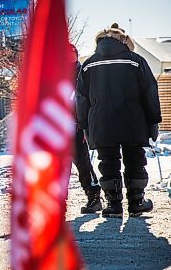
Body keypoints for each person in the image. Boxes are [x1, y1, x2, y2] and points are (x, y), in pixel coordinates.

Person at [76, 23, 161, 218]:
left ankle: (113, 204)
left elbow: (81, 98)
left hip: (101, 122)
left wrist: (84, 124)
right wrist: (153, 119)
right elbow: (150, 92)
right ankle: (137, 201)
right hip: (133, 120)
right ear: (123, 41)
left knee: (107, 161)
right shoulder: (136, 61)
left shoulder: (88, 64)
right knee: (135, 159)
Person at [70, 43, 102, 214]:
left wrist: (85, 127)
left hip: (77, 128)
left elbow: (89, 101)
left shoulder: (84, 73)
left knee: (83, 165)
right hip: (57, 128)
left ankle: (94, 197)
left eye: (71, 53)